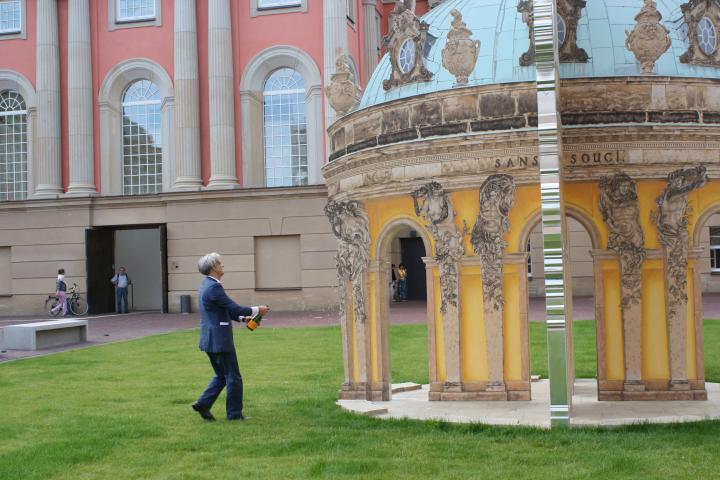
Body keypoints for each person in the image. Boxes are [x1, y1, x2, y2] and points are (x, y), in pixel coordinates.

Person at [192, 252, 269, 422]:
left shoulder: (206, 285)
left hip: (209, 339)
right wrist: (258, 310)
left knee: (221, 376)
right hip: (220, 339)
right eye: (220, 263)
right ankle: (234, 415)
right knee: (233, 376)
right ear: (213, 267)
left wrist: (243, 319)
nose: (222, 265)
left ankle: (203, 404)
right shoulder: (214, 287)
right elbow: (235, 308)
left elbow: (224, 310)